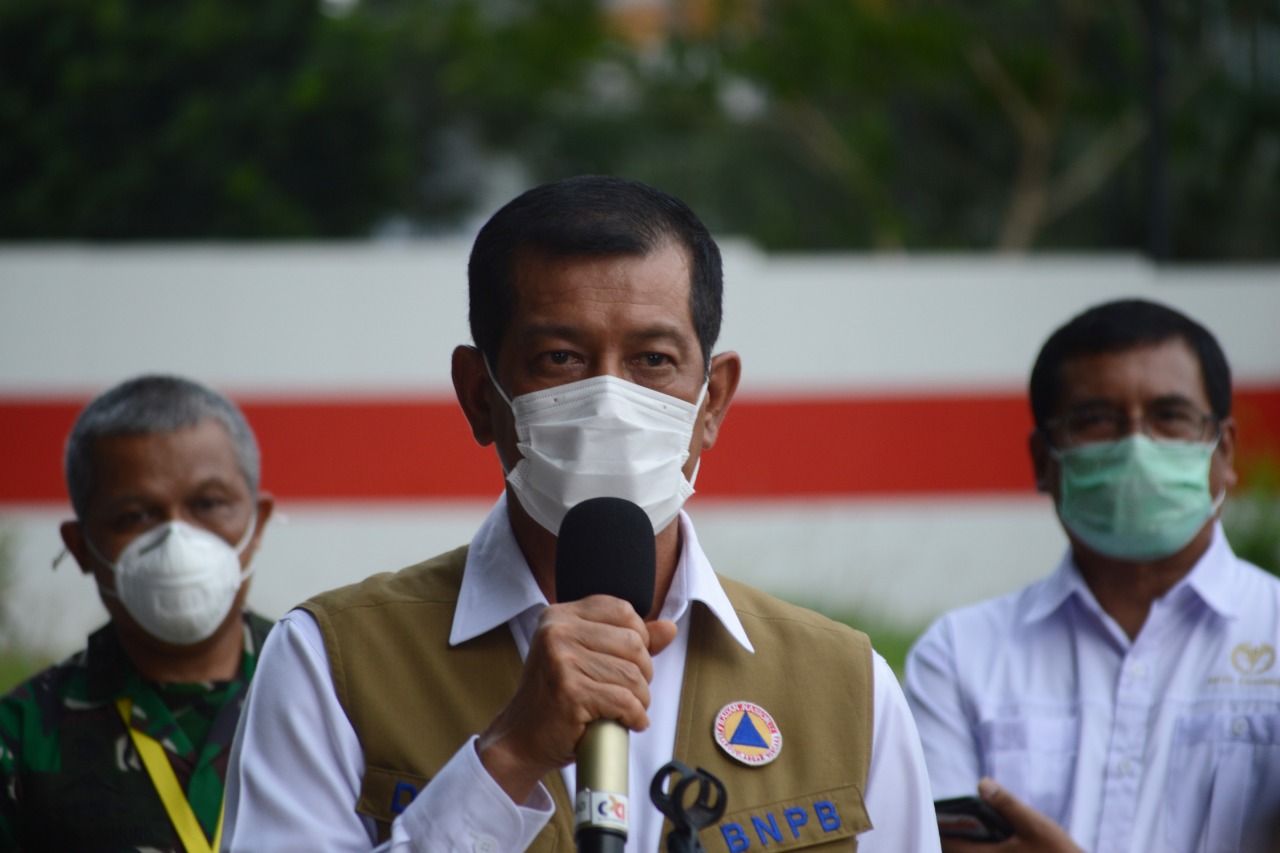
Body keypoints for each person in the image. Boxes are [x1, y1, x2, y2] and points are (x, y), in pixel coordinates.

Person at [223, 175, 941, 852]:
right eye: (561, 358)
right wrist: (505, 759)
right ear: (479, 394)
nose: (610, 401)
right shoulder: (333, 662)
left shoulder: (847, 685)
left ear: (712, 400)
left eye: (654, 359)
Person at [904, 299, 1280, 852]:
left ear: (1223, 451)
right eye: (1096, 420)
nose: (1136, 445)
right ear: (1042, 460)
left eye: (1170, 416)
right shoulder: (959, 657)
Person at [0, 375, 275, 852]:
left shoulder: (334, 698)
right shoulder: (20, 738)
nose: (176, 541)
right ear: (81, 547)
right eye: (134, 515)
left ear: (258, 523)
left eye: (208, 504)